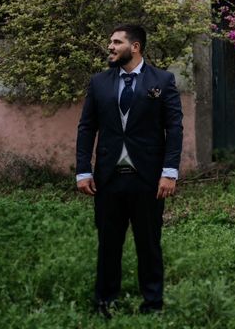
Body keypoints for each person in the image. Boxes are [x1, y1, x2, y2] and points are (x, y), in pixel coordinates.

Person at [76, 24, 183, 317]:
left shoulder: (162, 80)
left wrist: (169, 171)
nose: (110, 46)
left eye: (116, 42)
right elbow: (87, 127)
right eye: (110, 42)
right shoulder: (99, 82)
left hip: (148, 179)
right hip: (108, 179)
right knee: (108, 244)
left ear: (135, 47)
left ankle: (153, 304)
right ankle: (104, 303)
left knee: (149, 244)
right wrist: (83, 170)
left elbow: (174, 128)